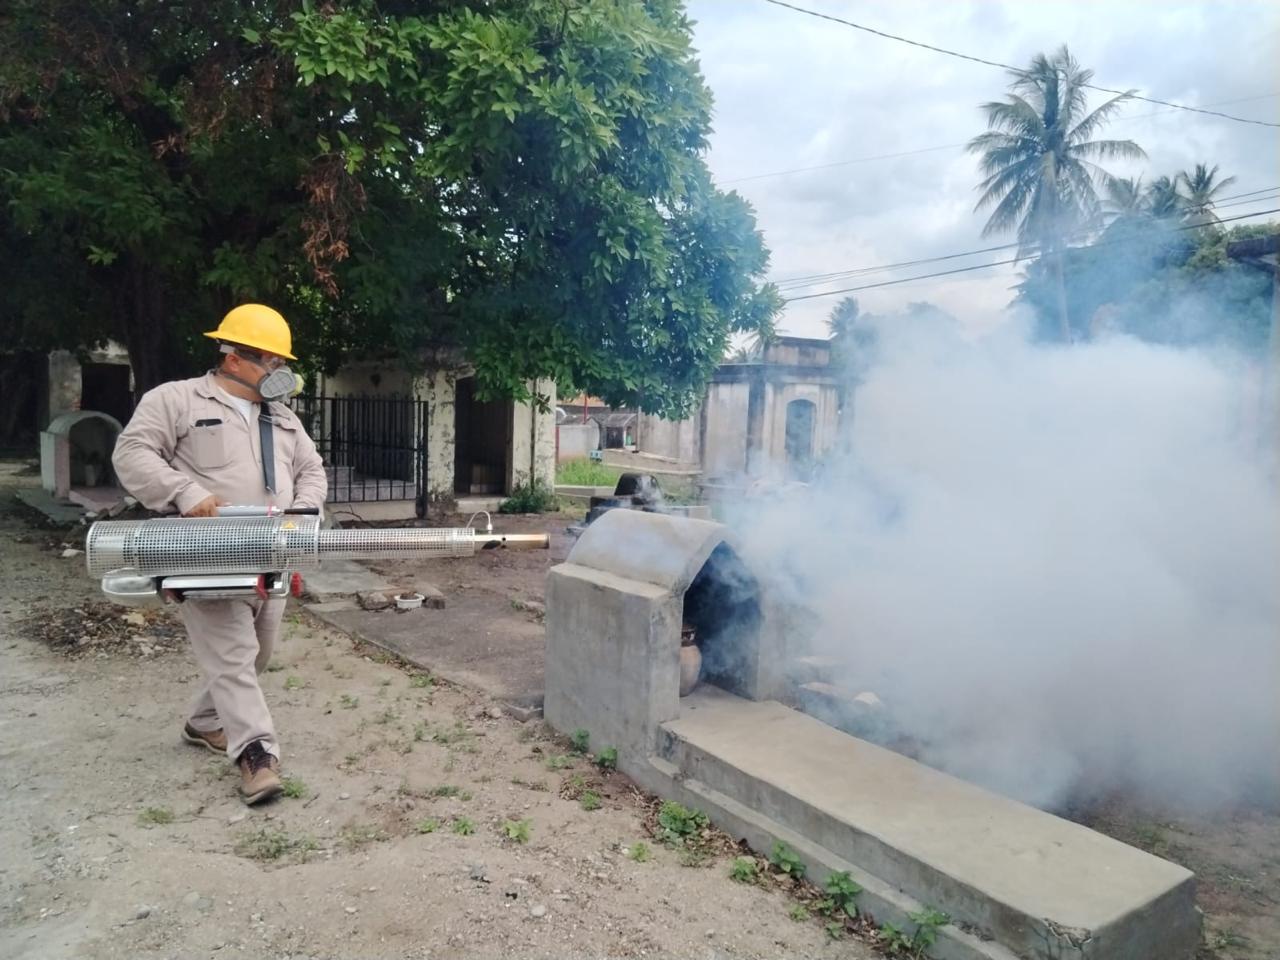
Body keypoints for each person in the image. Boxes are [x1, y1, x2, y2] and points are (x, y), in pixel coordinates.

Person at [112, 304, 328, 804]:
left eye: (280, 364)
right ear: (233, 358)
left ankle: (204, 720)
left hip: (271, 550)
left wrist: (302, 508)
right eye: (269, 363)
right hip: (207, 553)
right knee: (233, 654)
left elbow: (312, 469)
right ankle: (257, 757)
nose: (279, 374)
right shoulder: (177, 400)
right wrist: (184, 492)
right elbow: (132, 453)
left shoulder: (283, 417)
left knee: (259, 653)